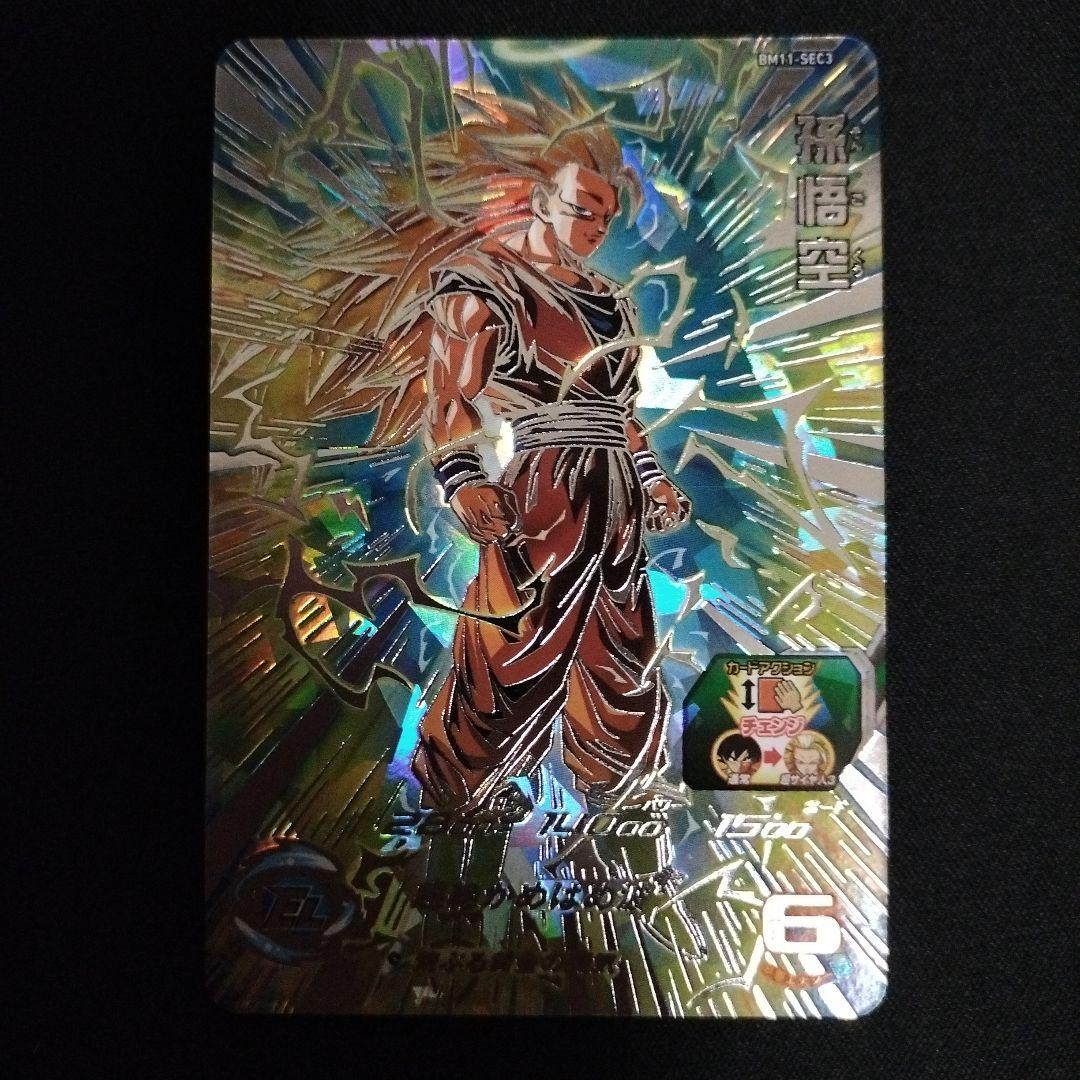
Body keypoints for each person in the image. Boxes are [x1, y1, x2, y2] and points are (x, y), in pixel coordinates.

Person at [410, 107, 692, 814]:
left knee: (621, 643)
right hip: (544, 483)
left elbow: (621, 412)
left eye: (606, 219)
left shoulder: (610, 300)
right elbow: (449, 394)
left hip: (616, 490)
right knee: (516, 639)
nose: (595, 230)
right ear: (540, 199)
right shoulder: (484, 280)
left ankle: (616, 784)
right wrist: (462, 478)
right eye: (581, 210)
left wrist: (652, 477)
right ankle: (461, 786)